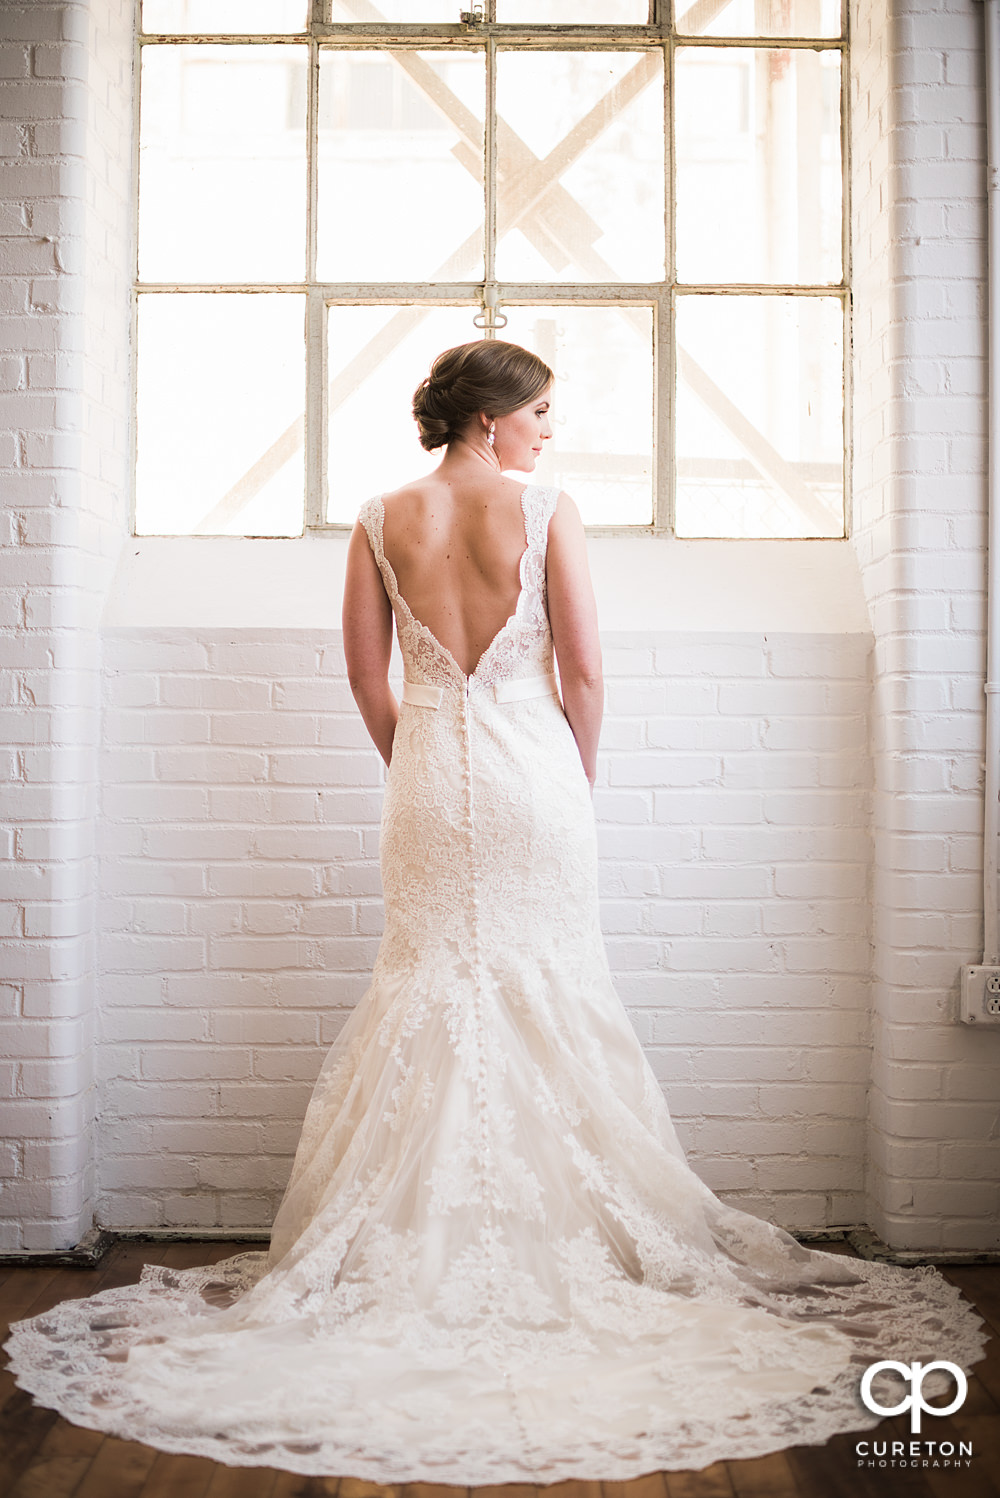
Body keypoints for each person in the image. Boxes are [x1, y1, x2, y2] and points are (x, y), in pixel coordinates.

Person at [5, 341, 987, 1484]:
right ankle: (556, 1233)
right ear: (489, 421)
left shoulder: (380, 517)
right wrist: (577, 773)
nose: (549, 431)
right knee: (547, 982)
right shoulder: (547, 508)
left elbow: (367, 680)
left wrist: (411, 757)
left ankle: (409, 1240)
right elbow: (584, 671)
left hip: (425, 783)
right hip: (537, 781)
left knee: (426, 984)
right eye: (541, 412)